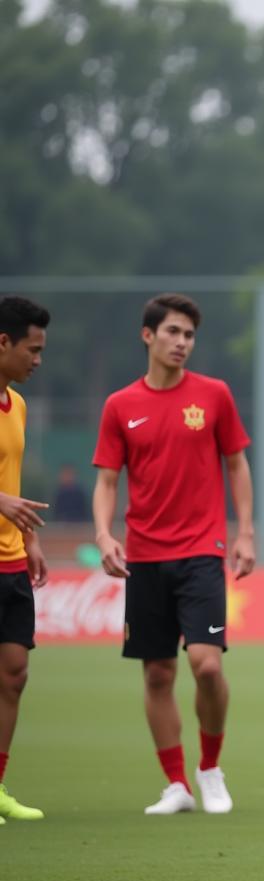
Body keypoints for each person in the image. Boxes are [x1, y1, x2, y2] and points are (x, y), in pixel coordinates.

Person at [93, 293, 255, 815]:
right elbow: (106, 481)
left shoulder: (214, 395)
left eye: (189, 335)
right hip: (143, 556)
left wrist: (245, 532)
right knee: (158, 674)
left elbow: (237, 465)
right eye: (173, 333)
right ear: (148, 336)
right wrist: (103, 534)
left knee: (206, 666)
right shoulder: (120, 405)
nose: (182, 343)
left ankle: (210, 769)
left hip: (201, 552)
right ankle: (176, 783)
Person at [0, 296, 50, 825]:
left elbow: (10, 479)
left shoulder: (18, 405)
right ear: (4, 342)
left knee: (14, 674)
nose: (38, 359)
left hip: (11, 560)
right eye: (32, 349)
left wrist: (28, 538)